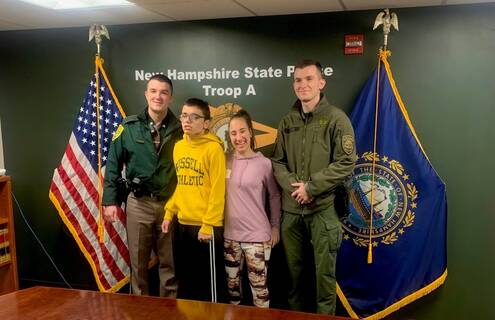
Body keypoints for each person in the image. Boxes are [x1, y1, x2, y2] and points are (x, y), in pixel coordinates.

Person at [271, 59, 357, 314]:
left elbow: (346, 161)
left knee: (324, 279)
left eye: (309, 78)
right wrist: (294, 188)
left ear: (321, 82)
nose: (303, 84)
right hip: (292, 212)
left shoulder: (336, 119)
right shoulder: (287, 121)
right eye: (298, 79)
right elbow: (277, 161)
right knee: (294, 278)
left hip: (323, 209)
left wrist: (311, 188)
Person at [102, 74, 182, 297]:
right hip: (139, 203)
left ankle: (169, 311)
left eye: (164, 92)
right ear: (146, 94)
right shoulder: (129, 127)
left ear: (170, 97)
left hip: (169, 206)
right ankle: (140, 311)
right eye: (153, 91)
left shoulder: (181, 130)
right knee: (138, 265)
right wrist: (110, 201)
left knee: (169, 264)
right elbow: (112, 165)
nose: (158, 96)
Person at [162, 98, 227, 303]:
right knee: (187, 283)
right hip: (183, 224)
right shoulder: (178, 147)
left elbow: (218, 191)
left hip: (205, 227)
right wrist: (169, 212)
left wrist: (208, 225)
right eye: (184, 115)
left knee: (208, 287)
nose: (187, 120)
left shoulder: (213, 149)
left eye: (194, 116)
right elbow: (181, 185)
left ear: (206, 123)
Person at [223, 110, 281, 308]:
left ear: (251, 132)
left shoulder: (264, 163)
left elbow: (274, 196)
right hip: (230, 237)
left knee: (259, 291)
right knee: (232, 291)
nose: (238, 138)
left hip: (257, 238)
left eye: (242, 131)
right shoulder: (224, 161)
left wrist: (275, 227)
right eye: (233, 133)